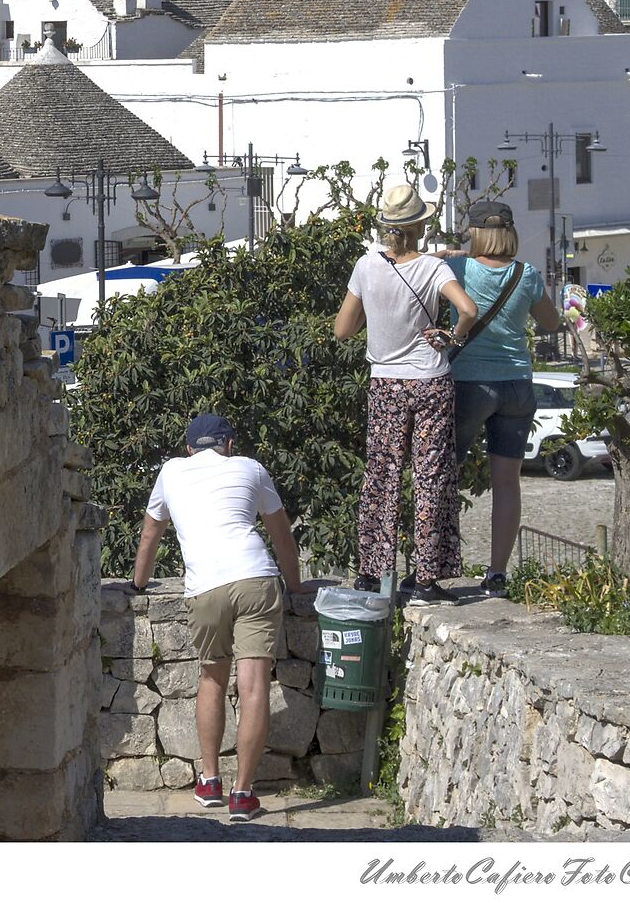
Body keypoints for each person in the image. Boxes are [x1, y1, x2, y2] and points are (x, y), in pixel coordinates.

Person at [131, 412, 306, 825]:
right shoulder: (250, 468)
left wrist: (138, 583)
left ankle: (209, 782)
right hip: (255, 578)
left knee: (211, 678)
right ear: (229, 445)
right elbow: (281, 535)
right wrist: (296, 586)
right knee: (254, 687)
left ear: (189, 449)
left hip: (205, 587)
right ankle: (243, 794)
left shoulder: (171, 471)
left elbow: (150, 533)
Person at [334, 182, 477, 599]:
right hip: (431, 380)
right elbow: (468, 310)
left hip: (386, 383)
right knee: (432, 476)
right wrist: (452, 336)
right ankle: (428, 578)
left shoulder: (366, 267)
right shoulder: (433, 269)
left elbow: (342, 330)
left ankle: (372, 571)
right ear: (420, 226)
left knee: (383, 473)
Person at [442, 200, 557, 591]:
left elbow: (423, 267)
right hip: (517, 384)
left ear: (475, 233)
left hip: (469, 383)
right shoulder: (527, 274)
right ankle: (496, 574)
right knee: (508, 483)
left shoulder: (458, 269)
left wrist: (449, 253)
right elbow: (551, 322)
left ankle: (433, 565)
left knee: (443, 476)